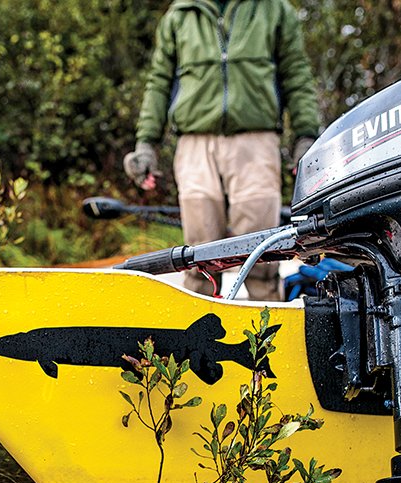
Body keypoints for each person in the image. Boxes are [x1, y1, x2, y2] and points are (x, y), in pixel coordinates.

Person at [124, 0, 320, 301]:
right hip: (195, 145)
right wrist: (146, 144)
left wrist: (306, 136)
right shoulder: (180, 15)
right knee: (198, 258)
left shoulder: (274, 9)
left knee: (263, 253)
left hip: (256, 143)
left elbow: (296, 73)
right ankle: (197, 342)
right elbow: (158, 82)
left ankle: (271, 343)